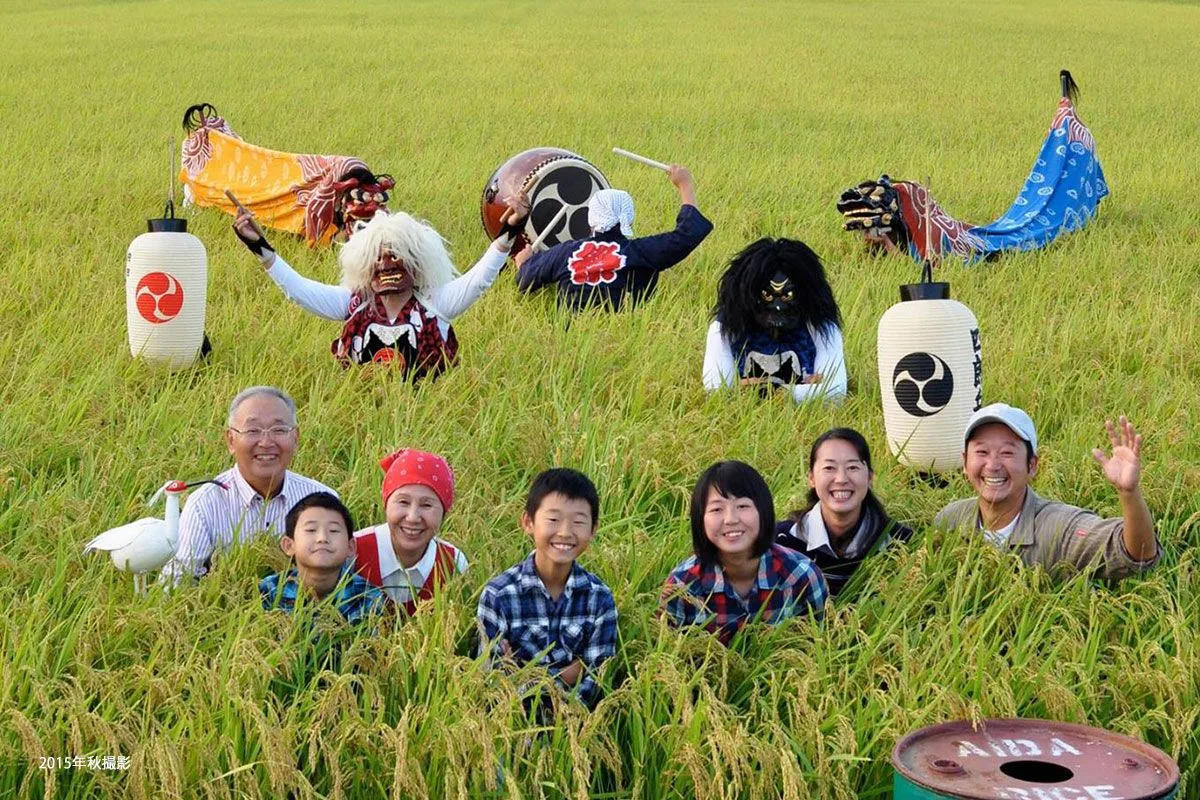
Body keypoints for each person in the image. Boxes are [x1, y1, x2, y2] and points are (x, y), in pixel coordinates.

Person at [232, 197, 529, 377]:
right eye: (378, 257)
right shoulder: (354, 304)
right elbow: (298, 290)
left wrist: (510, 232)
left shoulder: (433, 303)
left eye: (397, 256)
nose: (387, 264)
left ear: (417, 262)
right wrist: (260, 248)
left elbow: (478, 280)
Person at [935, 404, 1161, 580]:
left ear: (1032, 465)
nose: (993, 465)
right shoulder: (950, 520)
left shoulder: (1059, 528)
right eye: (982, 452)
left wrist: (1128, 493)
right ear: (965, 463)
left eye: (1007, 453)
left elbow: (1138, 553)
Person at [160, 386, 336, 584]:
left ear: (295, 438)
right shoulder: (204, 504)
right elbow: (176, 584)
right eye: (253, 430)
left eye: (278, 430)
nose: (266, 442)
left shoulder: (321, 499)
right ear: (231, 440)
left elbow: (341, 577)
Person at [477, 469, 618, 709]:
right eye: (553, 520)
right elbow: (491, 681)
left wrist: (523, 673)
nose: (565, 532)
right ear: (528, 522)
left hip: (576, 730)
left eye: (578, 522)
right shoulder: (499, 596)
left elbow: (596, 680)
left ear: (593, 529)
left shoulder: (599, 598)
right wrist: (564, 676)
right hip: (510, 727)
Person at [661, 461, 828, 643]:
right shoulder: (682, 585)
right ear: (700, 520)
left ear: (763, 511)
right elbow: (664, 654)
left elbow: (823, 644)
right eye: (717, 509)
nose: (731, 519)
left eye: (742, 506)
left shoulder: (801, 575)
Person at [513, 165, 713, 311]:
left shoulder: (566, 253)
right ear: (629, 219)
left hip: (569, 341)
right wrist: (685, 184)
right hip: (632, 336)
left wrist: (524, 263)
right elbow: (688, 233)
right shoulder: (642, 252)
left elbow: (525, 282)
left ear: (591, 219)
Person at [702, 238, 846, 403]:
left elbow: (835, 391)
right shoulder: (726, 328)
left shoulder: (820, 325)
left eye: (787, 295)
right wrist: (802, 390)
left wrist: (753, 389)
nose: (777, 307)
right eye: (767, 295)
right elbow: (716, 391)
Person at [776, 428, 913, 596]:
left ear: (869, 477)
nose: (841, 479)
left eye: (852, 467)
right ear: (811, 478)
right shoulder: (781, 542)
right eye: (829, 468)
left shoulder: (900, 543)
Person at [353, 448, 468, 615]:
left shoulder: (453, 563)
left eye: (426, 505)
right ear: (385, 504)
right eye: (403, 502)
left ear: (444, 512)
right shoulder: (354, 551)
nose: (413, 517)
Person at [260, 492, 386, 624]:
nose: (322, 538)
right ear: (288, 545)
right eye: (311, 530)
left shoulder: (367, 596)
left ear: (351, 547)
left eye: (333, 531)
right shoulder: (269, 590)